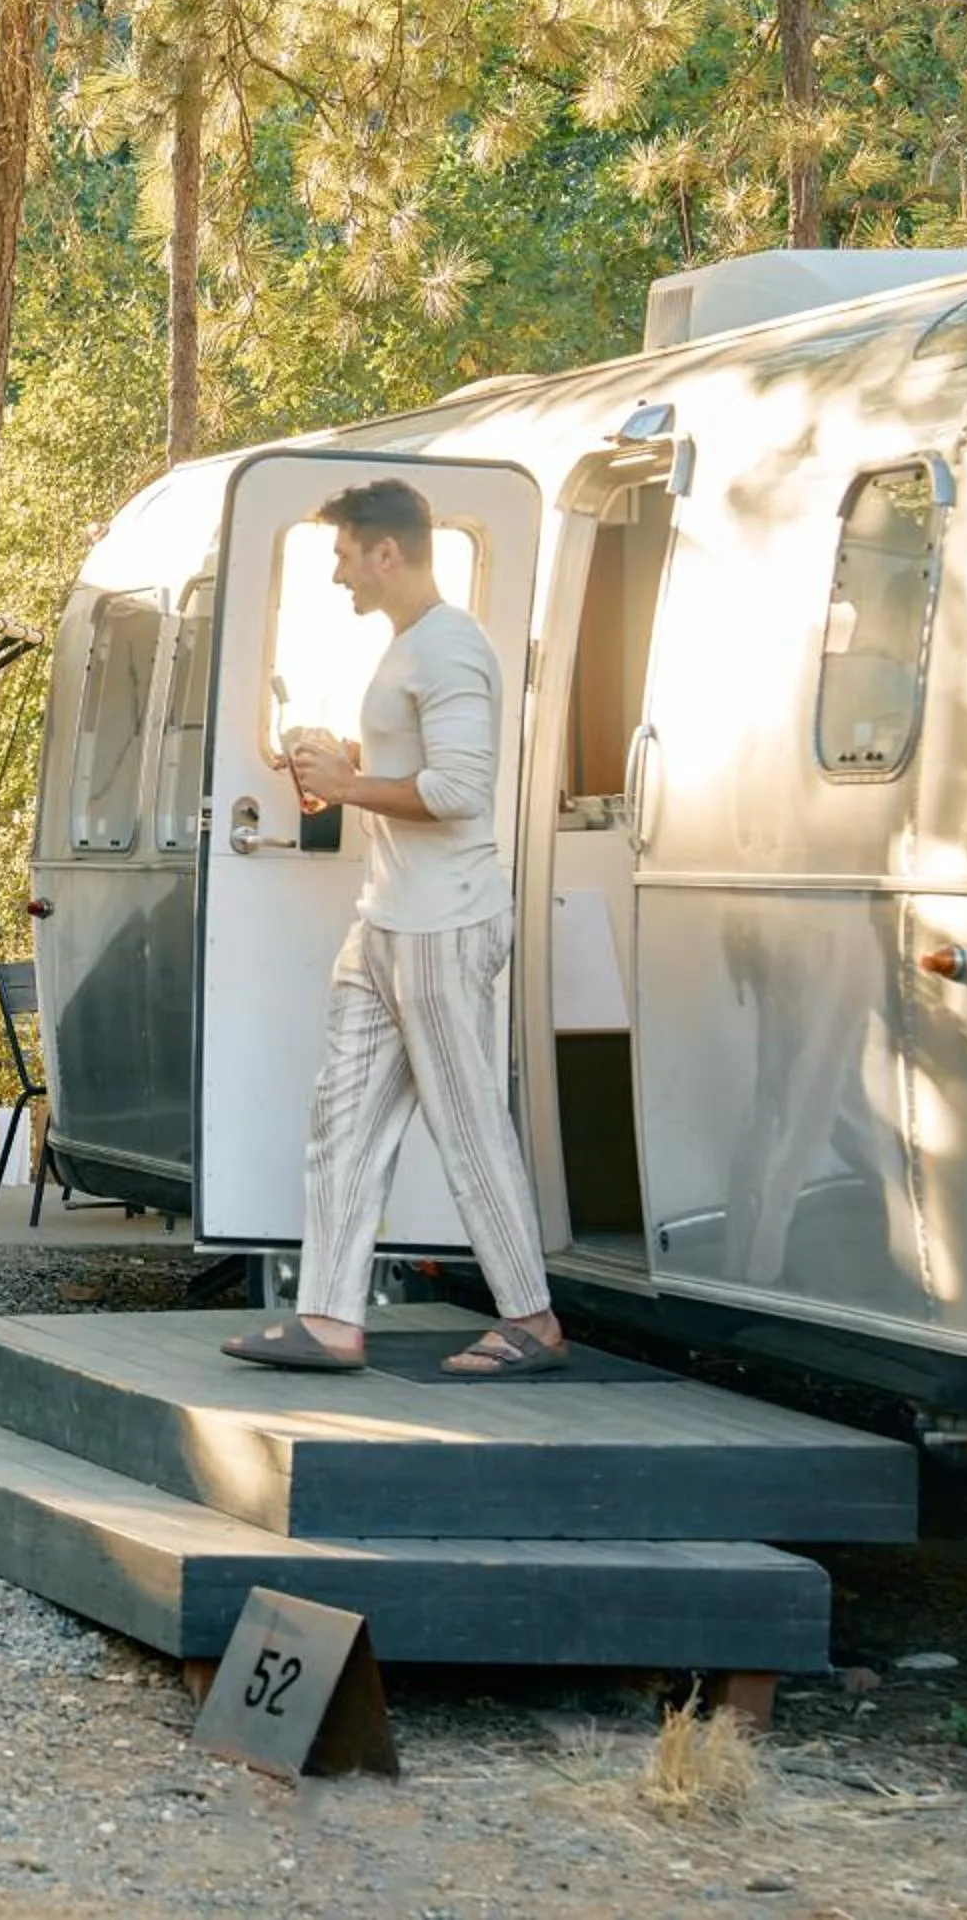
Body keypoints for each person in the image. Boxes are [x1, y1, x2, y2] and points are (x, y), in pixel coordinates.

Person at [220, 478, 568, 1377]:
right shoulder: (410, 645)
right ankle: (330, 1320)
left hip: (443, 925)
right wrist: (345, 759)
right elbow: (418, 764)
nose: (337, 573)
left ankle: (531, 1320)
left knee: (466, 1123)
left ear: (387, 552)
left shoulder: (450, 648)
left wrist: (347, 786)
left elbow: (460, 790)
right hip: (386, 921)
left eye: (345, 555)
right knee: (340, 1118)